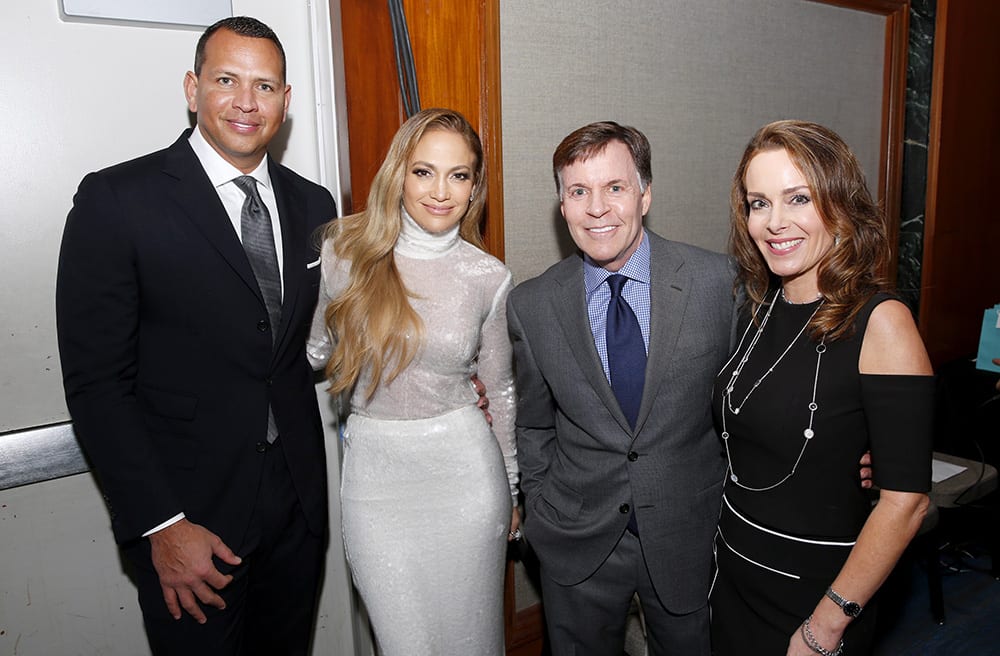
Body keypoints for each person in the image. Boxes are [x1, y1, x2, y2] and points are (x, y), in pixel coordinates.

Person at [55, 17, 337, 656]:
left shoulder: (314, 206)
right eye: (227, 80)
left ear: (286, 102)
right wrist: (161, 523)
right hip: (189, 518)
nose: (246, 102)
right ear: (192, 87)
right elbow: (98, 385)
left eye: (265, 86)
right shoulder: (117, 200)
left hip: (296, 510)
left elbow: (320, 340)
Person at [507, 121, 736, 655]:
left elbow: (747, 407)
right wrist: (541, 512)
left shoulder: (717, 285)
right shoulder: (532, 305)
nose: (597, 208)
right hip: (576, 540)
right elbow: (535, 423)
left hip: (689, 533)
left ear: (645, 194)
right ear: (561, 206)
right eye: (578, 191)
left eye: (615, 187)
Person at [711, 120, 933, 655]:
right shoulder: (758, 309)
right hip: (733, 578)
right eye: (758, 203)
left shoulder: (882, 322)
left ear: (839, 204)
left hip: (814, 601)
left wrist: (826, 627)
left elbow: (906, 503)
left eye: (798, 199)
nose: (775, 222)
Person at [306, 108, 519, 656]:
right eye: (424, 171)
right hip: (377, 481)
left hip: (467, 477)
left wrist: (514, 490)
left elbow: (500, 391)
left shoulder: (487, 276)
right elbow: (313, 352)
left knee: (473, 641)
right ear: (398, 174)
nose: (441, 191)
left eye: (459, 175)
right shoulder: (346, 255)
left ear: (475, 187)